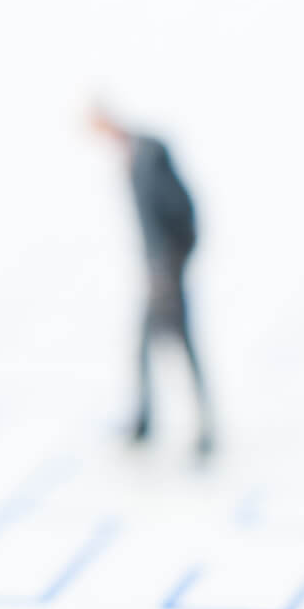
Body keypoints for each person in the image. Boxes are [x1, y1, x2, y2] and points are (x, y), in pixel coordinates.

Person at [89, 107, 213, 457]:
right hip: (155, 272)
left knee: (184, 348)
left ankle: (204, 427)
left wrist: (171, 266)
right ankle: (145, 421)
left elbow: (182, 210)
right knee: (145, 349)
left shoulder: (151, 152)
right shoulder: (132, 157)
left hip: (167, 272)